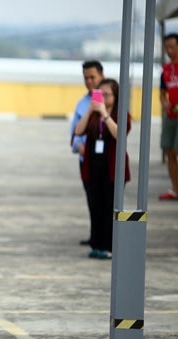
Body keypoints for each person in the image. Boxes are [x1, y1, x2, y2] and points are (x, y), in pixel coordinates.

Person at [73, 78, 131, 260]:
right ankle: (96, 245)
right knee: (95, 207)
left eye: (107, 95)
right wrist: (91, 109)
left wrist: (105, 115)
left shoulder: (121, 114)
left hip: (112, 169)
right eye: (101, 94)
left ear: (116, 97)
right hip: (93, 168)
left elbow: (120, 134)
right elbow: (78, 131)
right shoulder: (92, 114)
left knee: (109, 209)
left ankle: (109, 247)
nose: (104, 98)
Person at [70, 60, 105, 245]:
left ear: (102, 76)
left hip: (105, 159)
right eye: (86, 78)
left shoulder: (109, 101)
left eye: (93, 77)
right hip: (87, 159)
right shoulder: (82, 103)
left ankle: (104, 237)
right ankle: (95, 235)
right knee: (91, 198)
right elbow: (74, 131)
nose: (89, 81)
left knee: (104, 199)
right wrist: (78, 144)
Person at [159, 33, 178, 200]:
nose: (169, 50)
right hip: (171, 116)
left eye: (172, 46)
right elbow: (162, 92)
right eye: (167, 47)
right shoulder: (165, 70)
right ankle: (175, 189)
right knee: (169, 150)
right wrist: (164, 103)